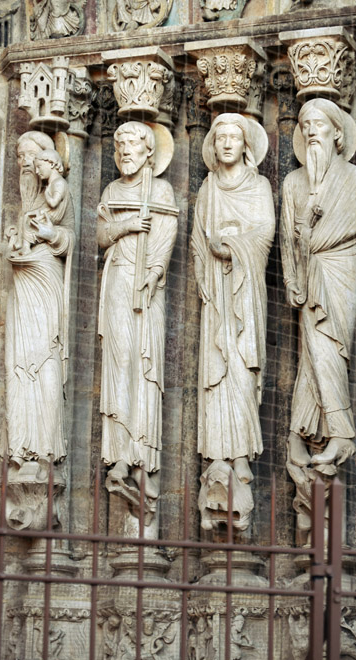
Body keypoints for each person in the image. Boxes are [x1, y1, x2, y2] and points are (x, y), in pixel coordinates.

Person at [280, 98, 356, 468]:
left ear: (337, 132)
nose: (311, 130)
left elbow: (352, 224)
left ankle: (341, 434)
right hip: (305, 272)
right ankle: (305, 430)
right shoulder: (293, 182)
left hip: (338, 270)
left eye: (318, 123)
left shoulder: (352, 176)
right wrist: (289, 277)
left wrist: (309, 236)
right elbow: (286, 236)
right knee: (311, 352)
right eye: (304, 125)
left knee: (327, 348)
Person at [191, 113, 275, 486]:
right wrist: (210, 257)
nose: (226, 143)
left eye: (233, 137)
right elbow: (196, 240)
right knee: (215, 371)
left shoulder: (259, 187)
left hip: (245, 288)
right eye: (220, 137)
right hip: (216, 292)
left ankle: (241, 454)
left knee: (240, 369)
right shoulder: (207, 188)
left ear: (246, 145)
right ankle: (218, 453)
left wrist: (232, 246)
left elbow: (266, 234)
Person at [97, 121, 177, 501]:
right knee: (119, 362)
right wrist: (126, 224)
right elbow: (100, 235)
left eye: (133, 145)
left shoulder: (161, 190)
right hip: (116, 282)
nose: (126, 151)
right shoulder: (113, 190)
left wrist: (156, 271)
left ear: (149, 152)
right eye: (121, 145)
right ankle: (117, 455)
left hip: (146, 286)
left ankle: (141, 453)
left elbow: (166, 236)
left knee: (145, 365)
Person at [5, 131, 75, 469]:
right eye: (20, 159)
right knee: (19, 363)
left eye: (31, 158)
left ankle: (46, 443)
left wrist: (49, 236)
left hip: (45, 278)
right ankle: (22, 442)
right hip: (22, 283)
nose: (25, 165)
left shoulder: (57, 192)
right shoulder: (30, 199)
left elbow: (67, 235)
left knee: (46, 355)